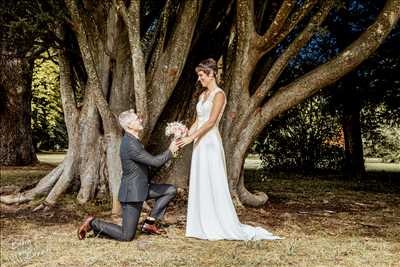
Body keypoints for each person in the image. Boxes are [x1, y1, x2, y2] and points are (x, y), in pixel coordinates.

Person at [176, 58, 281, 240]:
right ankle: (200, 223)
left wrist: (192, 137)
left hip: (209, 142)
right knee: (201, 179)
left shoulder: (219, 95)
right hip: (199, 143)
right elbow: (198, 121)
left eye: (201, 75)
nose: (199, 79)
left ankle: (217, 222)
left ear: (211, 74)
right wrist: (185, 133)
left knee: (212, 179)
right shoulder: (202, 96)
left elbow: (211, 122)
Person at [77, 109, 179, 241]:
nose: (140, 120)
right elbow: (154, 162)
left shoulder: (134, 141)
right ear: (130, 125)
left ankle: (149, 223)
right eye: (137, 119)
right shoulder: (130, 144)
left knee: (170, 190)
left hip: (142, 188)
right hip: (132, 194)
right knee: (126, 236)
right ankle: (93, 222)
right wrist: (170, 151)